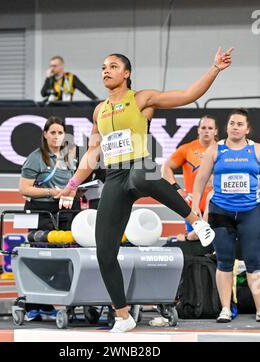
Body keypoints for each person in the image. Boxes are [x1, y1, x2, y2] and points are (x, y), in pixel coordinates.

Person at [56, 48, 233, 333]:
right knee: (104, 251)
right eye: (103, 66)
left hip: (140, 167)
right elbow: (91, 155)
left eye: (113, 66)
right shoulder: (99, 110)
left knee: (141, 176)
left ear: (126, 74)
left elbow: (188, 94)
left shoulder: (141, 99)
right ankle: (123, 315)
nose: (106, 70)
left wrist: (214, 68)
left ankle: (197, 222)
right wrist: (70, 186)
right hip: (114, 177)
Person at [192, 108, 260, 323]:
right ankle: (224, 309)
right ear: (227, 127)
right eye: (232, 123)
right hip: (221, 211)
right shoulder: (215, 150)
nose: (235, 127)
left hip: (250, 212)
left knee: (254, 262)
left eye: (240, 124)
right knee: (224, 261)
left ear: (247, 129)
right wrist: (195, 207)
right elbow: (200, 179)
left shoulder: (256, 150)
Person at [19, 116, 78, 320]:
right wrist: (51, 193)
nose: (56, 136)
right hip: (42, 211)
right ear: (45, 134)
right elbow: (24, 189)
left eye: (60, 132)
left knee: (66, 255)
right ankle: (34, 305)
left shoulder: (71, 156)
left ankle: (50, 302)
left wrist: (72, 192)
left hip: (66, 210)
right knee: (42, 256)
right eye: (52, 132)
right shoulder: (36, 157)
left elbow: (76, 181)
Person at [162, 116, 218, 255]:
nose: (206, 131)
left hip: (217, 209)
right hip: (193, 211)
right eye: (203, 128)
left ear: (216, 131)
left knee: (217, 249)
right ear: (198, 130)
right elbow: (166, 168)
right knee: (194, 250)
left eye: (210, 128)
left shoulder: (223, 149)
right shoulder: (187, 149)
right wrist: (178, 189)